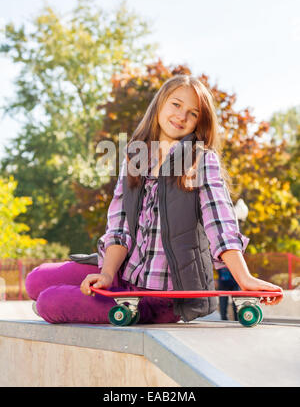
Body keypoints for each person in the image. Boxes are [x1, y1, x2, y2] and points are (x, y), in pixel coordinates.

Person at [25, 75, 283, 324]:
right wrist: (106, 274)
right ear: (160, 104)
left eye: (193, 113)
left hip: (163, 296)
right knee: (35, 280)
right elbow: (119, 227)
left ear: (198, 122)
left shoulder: (201, 160)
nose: (182, 116)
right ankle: (92, 289)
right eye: (176, 104)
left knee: (49, 302)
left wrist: (244, 278)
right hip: (126, 277)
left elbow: (220, 222)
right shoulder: (136, 158)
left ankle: (59, 306)